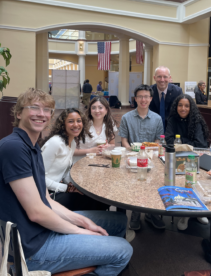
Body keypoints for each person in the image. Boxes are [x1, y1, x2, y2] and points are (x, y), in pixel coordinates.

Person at [0, 88, 133, 276]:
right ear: (19, 112)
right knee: (123, 250)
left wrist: (83, 222)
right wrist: (80, 232)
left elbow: (47, 201)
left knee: (118, 221)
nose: (41, 114)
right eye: (34, 108)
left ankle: (96, 256)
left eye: (47, 110)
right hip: (31, 248)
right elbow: (37, 213)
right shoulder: (13, 147)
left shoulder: (32, 146)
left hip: (42, 230)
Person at [41, 108, 109, 211]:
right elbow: (39, 178)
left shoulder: (71, 142)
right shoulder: (55, 143)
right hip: (46, 195)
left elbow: (64, 172)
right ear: (63, 124)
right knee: (94, 199)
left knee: (100, 196)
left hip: (59, 188)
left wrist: (72, 185)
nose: (76, 124)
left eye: (79, 120)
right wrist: (66, 188)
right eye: (71, 121)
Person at [119, 84, 165, 230]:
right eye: (140, 96)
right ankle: (135, 213)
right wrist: (131, 152)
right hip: (133, 157)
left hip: (151, 157)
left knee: (154, 184)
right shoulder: (126, 118)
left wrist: (151, 152)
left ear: (151, 99)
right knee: (136, 185)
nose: (143, 99)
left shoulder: (157, 119)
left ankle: (153, 214)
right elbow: (124, 140)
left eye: (146, 96)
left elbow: (158, 140)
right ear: (135, 99)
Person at [165, 94, 209, 230]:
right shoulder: (172, 119)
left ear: (191, 108)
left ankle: (198, 210)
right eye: (180, 105)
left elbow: (200, 143)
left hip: (194, 158)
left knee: (194, 182)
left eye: (186, 106)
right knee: (179, 183)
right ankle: (185, 214)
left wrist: (181, 142)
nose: (183, 108)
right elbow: (169, 139)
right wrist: (186, 142)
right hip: (175, 158)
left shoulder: (196, 121)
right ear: (176, 106)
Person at [73, 96, 117, 161]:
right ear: (90, 110)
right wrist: (90, 151)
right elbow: (70, 150)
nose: (97, 111)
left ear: (106, 110)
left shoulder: (109, 124)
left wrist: (108, 146)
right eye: (93, 108)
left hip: (100, 162)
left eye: (100, 107)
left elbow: (112, 144)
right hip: (81, 162)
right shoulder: (82, 124)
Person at [149, 66, 183, 131]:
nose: (162, 80)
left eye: (165, 77)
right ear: (154, 78)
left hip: (172, 127)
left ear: (169, 78)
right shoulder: (149, 91)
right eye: (159, 76)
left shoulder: (177, 91)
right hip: (152, 127)